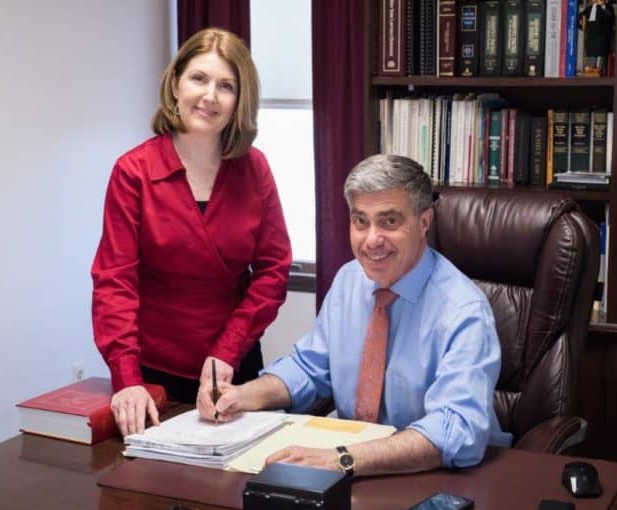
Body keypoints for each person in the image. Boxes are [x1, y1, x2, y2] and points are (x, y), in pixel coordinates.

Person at [198, 154, 512, 476]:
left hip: (442, 477)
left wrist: (341, 459)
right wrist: (241, 395)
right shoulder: (350, 280)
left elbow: (455, 433)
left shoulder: (463, 311)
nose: (371, 240)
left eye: (389, 221)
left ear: (424, 222)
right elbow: (309, 368)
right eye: (361, 221)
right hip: (355, 470)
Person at [91, 28, 292, 437]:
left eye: (226, 86)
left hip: (232, 369)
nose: (210, 96)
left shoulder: (255, 169)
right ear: (176, 84)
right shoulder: (134, 172)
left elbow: (273, 271)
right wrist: (127, 378)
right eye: (199, 79)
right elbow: (115, 282)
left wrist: (227, 350)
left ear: (240, 100)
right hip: (151, 377)